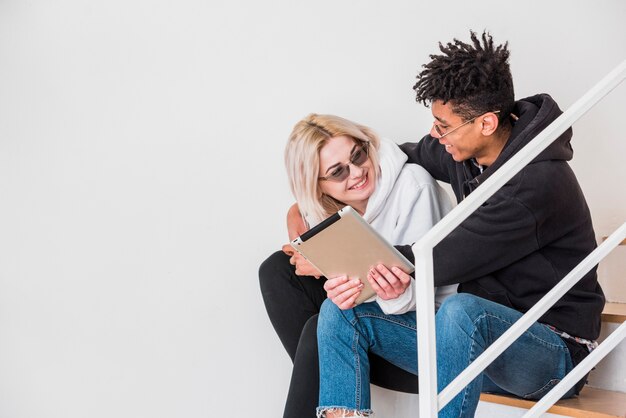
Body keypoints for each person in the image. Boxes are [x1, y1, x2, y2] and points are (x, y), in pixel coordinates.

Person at [314, 30, 605, 418]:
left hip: (551, 354)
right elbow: (402, 156)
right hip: (481, 346)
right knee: (339, 311)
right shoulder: (465, 151)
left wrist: (360, 261)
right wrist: (311, 205)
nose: (436, 134)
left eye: (443, 126)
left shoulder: (538, 185)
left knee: (462, 311)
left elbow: (445, 257)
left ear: (486, 123)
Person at [259, 113, 455, 417]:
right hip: (372, 324)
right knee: (276, 270)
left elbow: (422, 293)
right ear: (318, 185)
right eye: (338, 172)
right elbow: (303, 211)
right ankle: (328, 388)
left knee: (325, 322)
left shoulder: (414, 187)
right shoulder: (335, 205)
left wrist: (328, 269)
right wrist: (296, 214)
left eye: (358, 155)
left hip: (428, 332)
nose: (357, 172)